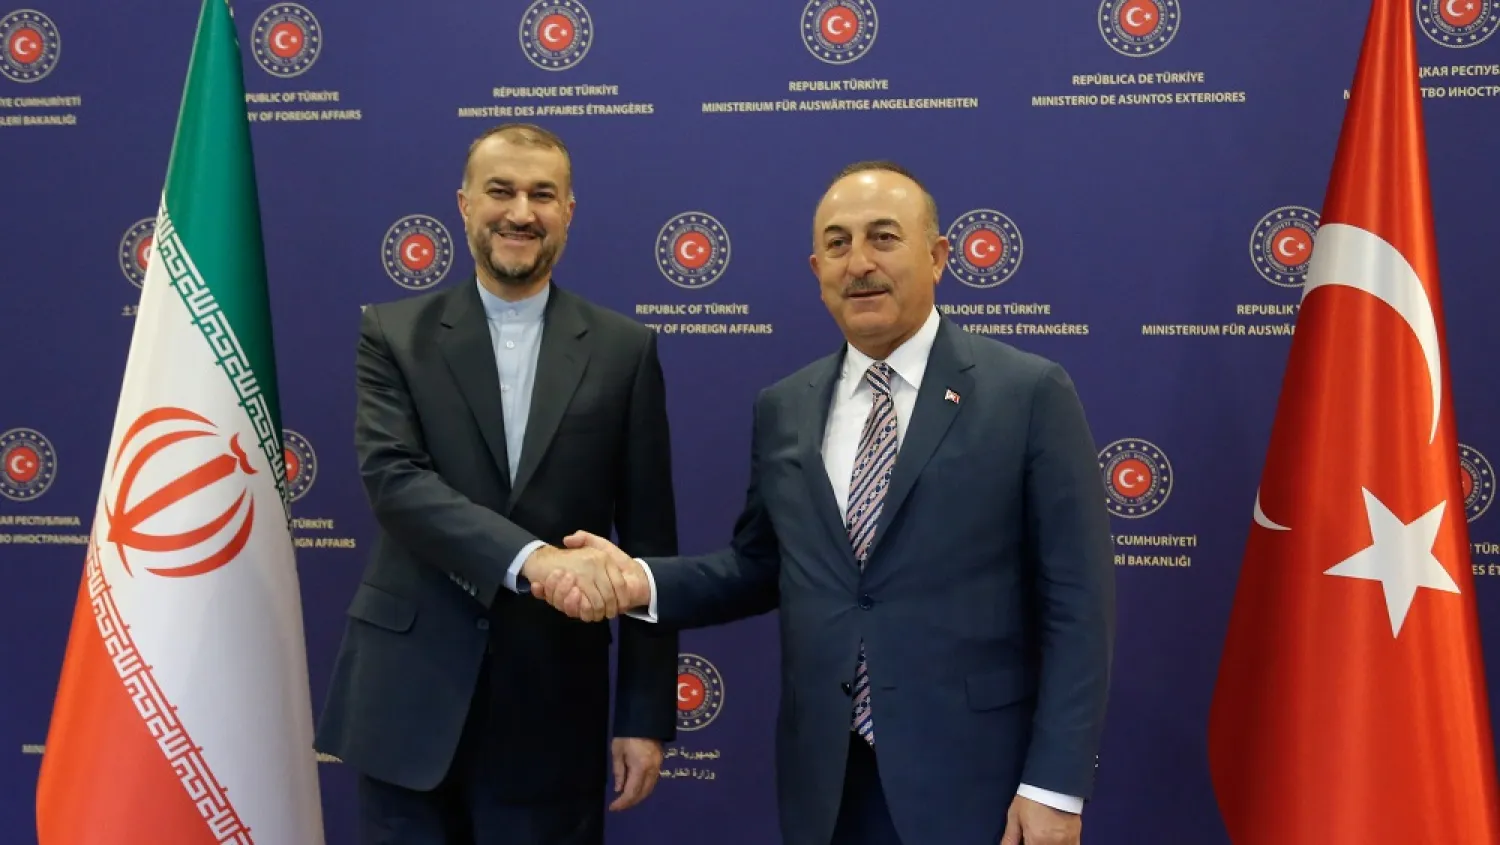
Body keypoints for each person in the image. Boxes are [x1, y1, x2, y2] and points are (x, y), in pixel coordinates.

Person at [535, 161, 1116, 845]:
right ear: (817, 268)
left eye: (883, 237)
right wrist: (640, 578)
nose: (859, 262)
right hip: (827, 784)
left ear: (937, 258)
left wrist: (1053, 787)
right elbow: (758, 566)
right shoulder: (785, 407)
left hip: (977, 783)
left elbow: (1080, 604)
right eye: (837, 244)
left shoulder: (1027, 393)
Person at [315, 123, 680, 845]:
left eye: (542, 194)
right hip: (407, 702)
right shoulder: (392, 333)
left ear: (568, 210)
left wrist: (643, 713)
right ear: (463, 204)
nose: (521, 212)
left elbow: (649, 545)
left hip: (552, 709)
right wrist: (535, 559)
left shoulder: (624, 350)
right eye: (501, 190)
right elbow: (396, 482)